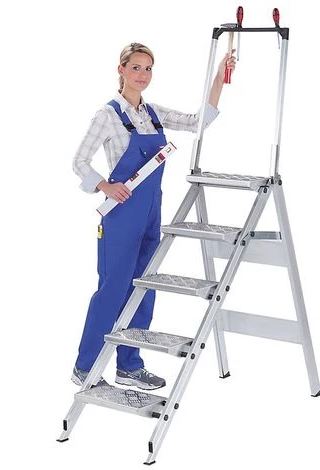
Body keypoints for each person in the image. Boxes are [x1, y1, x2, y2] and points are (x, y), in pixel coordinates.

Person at [71, 42, 236, 390]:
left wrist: (219, 78)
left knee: (143, 289)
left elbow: (198, 122)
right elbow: (79, 161)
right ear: (121, 70)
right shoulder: (107, 115)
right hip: (120, 215)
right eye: (136, 68)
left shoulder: (154, 113)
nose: (142, 75)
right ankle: (85, 367)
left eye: (148, 69)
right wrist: (105, 185)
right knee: (112, 290)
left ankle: (129, 365)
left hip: (150, 213)